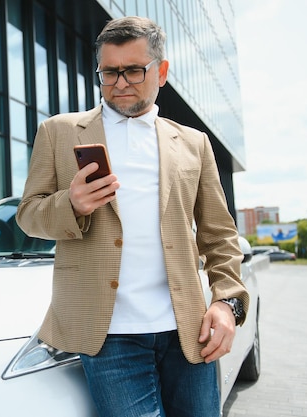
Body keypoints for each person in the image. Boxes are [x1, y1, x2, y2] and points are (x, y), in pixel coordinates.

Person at [16, 16, 250, 417]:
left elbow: (219, 235)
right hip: (109, 337)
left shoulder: (194, 144)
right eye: (109, 73)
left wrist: (228, 303)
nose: (120, 83)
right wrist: (70, 205)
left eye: (133, 71)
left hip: (188, 330)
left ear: (161, 71)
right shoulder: (58, 132)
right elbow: (28, 216)